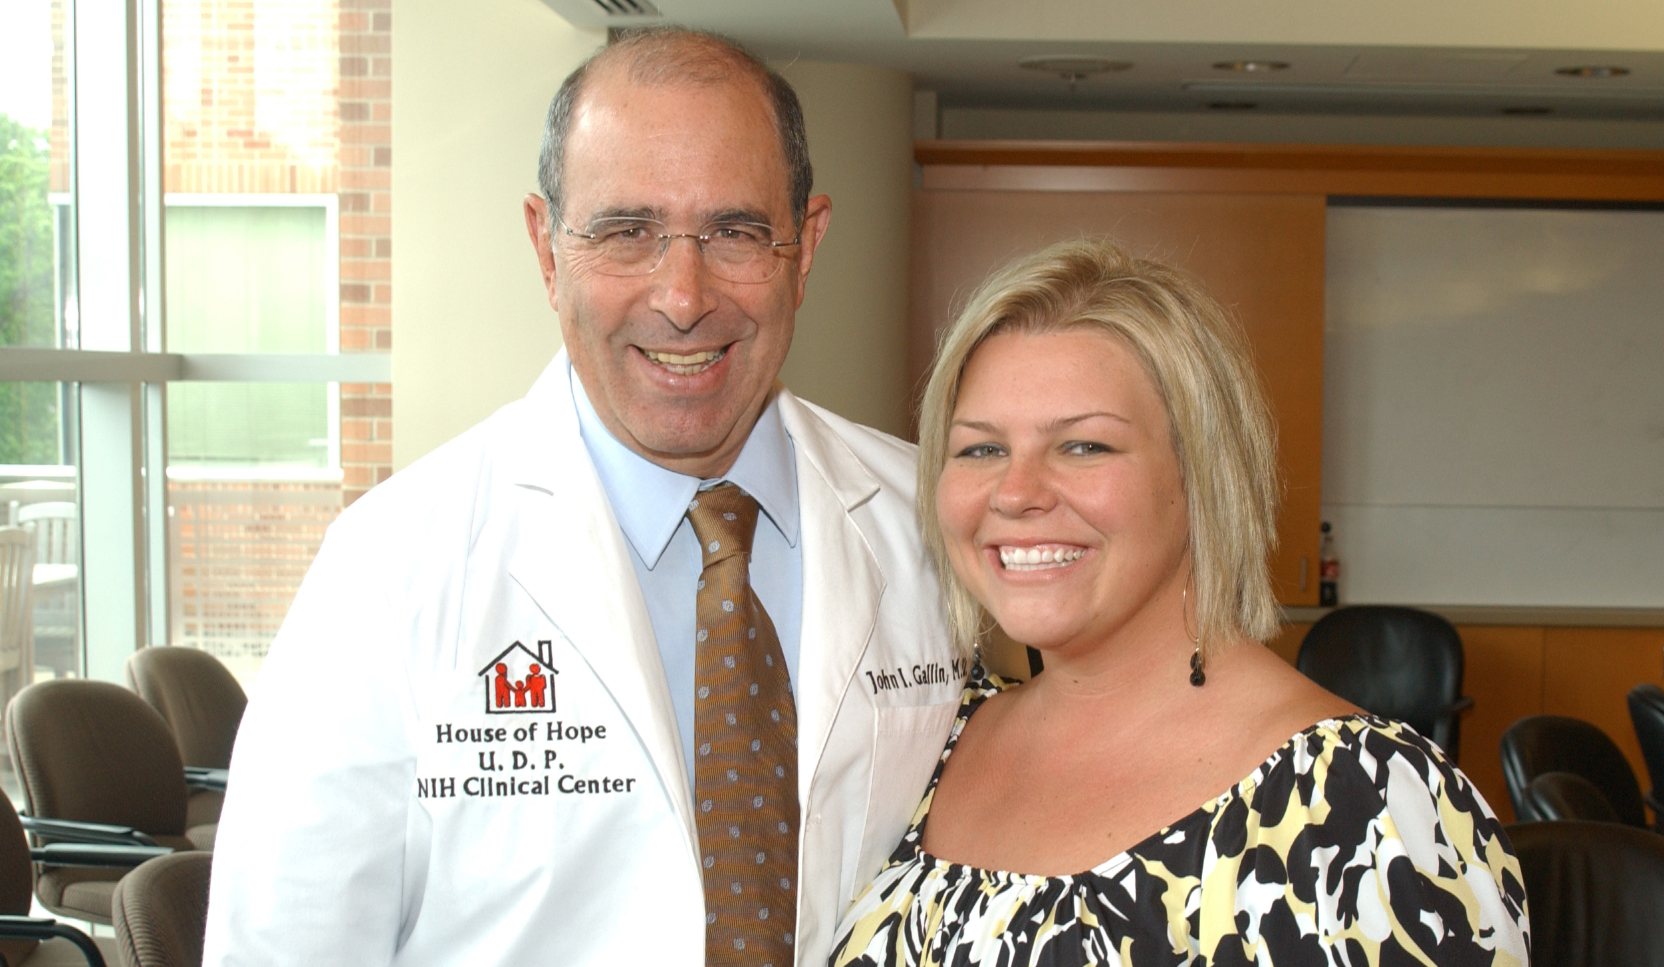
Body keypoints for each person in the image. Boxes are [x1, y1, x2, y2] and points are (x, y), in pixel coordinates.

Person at [204, 28, 962, 967]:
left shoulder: (936, 528)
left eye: (733, 231)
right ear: (546, 246)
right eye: (625, 232)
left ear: (804, 246)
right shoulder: (388, 568)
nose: (682, 296)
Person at [828, 239, 1530, 966]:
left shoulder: (1362, 808)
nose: (1015, 491)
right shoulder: (931, 739)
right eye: (979, 449)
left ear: (1202, 476)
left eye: (1083, 446)